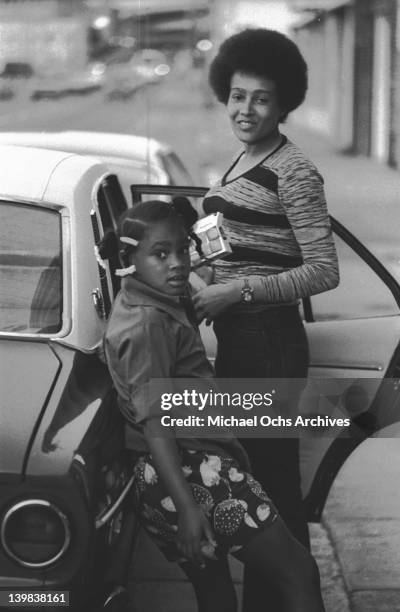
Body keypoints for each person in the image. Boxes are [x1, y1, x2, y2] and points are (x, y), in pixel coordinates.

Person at [98, 198, 326, 612]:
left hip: (167, 478)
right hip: (193, 472)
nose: (177, 264)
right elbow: (157, 423)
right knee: (299, 572)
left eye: (183, 250)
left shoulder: (142, 301)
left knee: (216, 594)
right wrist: (187, 508)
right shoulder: (150, 324)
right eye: (161, 254)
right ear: (129, 259)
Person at [192, 28, 339, 611]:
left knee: (271, 498)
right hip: (242, 343)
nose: (245, 109)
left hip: (269, 345)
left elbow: (323, 272)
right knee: (257, 497)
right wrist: (196, 271)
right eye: (236, 95)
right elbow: (246, 248)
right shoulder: (243, 155)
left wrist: (236, 295)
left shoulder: (294, 171)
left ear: (284, 104)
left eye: (260, 98)